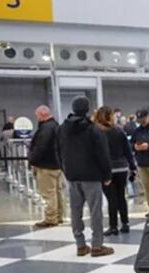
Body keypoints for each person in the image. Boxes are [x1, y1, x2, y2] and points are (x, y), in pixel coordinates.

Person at [58, 96, 113, 257]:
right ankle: (97, 245)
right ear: (87, 109)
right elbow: (102, 154)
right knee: (95, 211)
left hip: (72, 175)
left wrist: (65, 169)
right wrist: (107, 174)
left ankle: (80, 244)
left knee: (75, 210)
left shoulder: (62, 129)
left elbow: (57, 150)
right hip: (91, 176)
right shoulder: (93, 129)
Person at [93, 106, 136, 236]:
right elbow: (127, 150)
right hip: (122, 168)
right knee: (121, 196)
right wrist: (132, 167)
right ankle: (125, 223)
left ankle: (113, 226)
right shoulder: (119, 131)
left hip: (107, 169)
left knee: (111, 198)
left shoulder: (97, 132)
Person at [29, 105, 65, 228]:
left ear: (41, 115)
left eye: (37, 116)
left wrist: (32, 160)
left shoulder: (45, 129)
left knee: (49, 194)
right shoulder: (56, 126)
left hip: (46, 166)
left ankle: (51, 218)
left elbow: (40, 147)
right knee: (58, 192)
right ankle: (59, 216)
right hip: (57, 165)